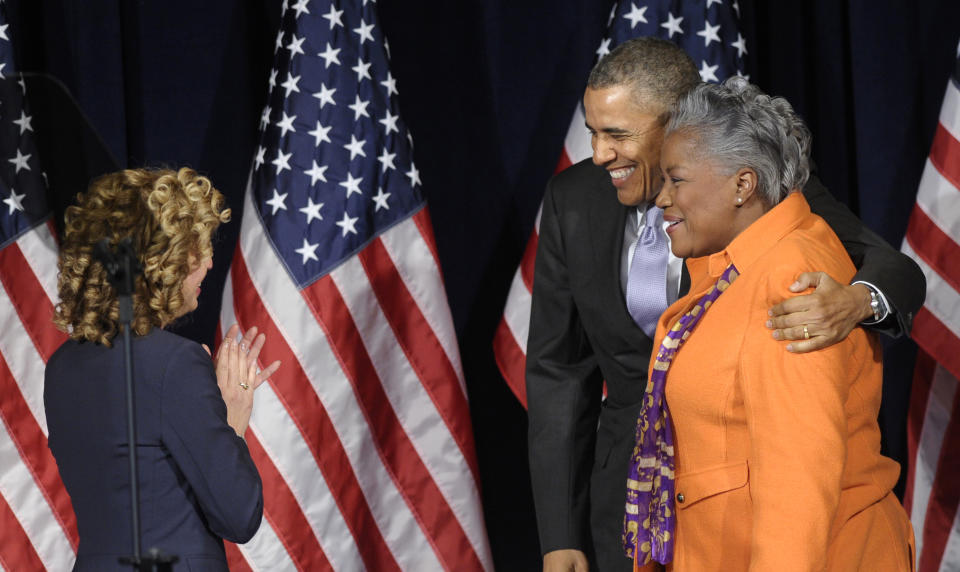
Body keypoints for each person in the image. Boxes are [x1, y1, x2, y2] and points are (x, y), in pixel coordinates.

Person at [525, 38, 925, 572]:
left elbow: (796, 475)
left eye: (617, 134)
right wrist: (559, 534)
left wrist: (852, 303)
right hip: (635, 500)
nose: (599, 154)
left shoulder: (780, 240)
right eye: (593, 132)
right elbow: (559, 370)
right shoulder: (572, 199)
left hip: (757, 520)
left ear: (676, 123)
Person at [624, 76, 914, 570]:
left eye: (677, 180)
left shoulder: (791, 280)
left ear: (743, 183)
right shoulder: (744, 266)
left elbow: (796, 480)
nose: (661, 199)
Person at [44, 167, 281, 571]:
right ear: (159, 261)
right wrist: (234, 421)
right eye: (196, 249)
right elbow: (239, 515)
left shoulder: (62, 367)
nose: (208, 262)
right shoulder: (175, 363)